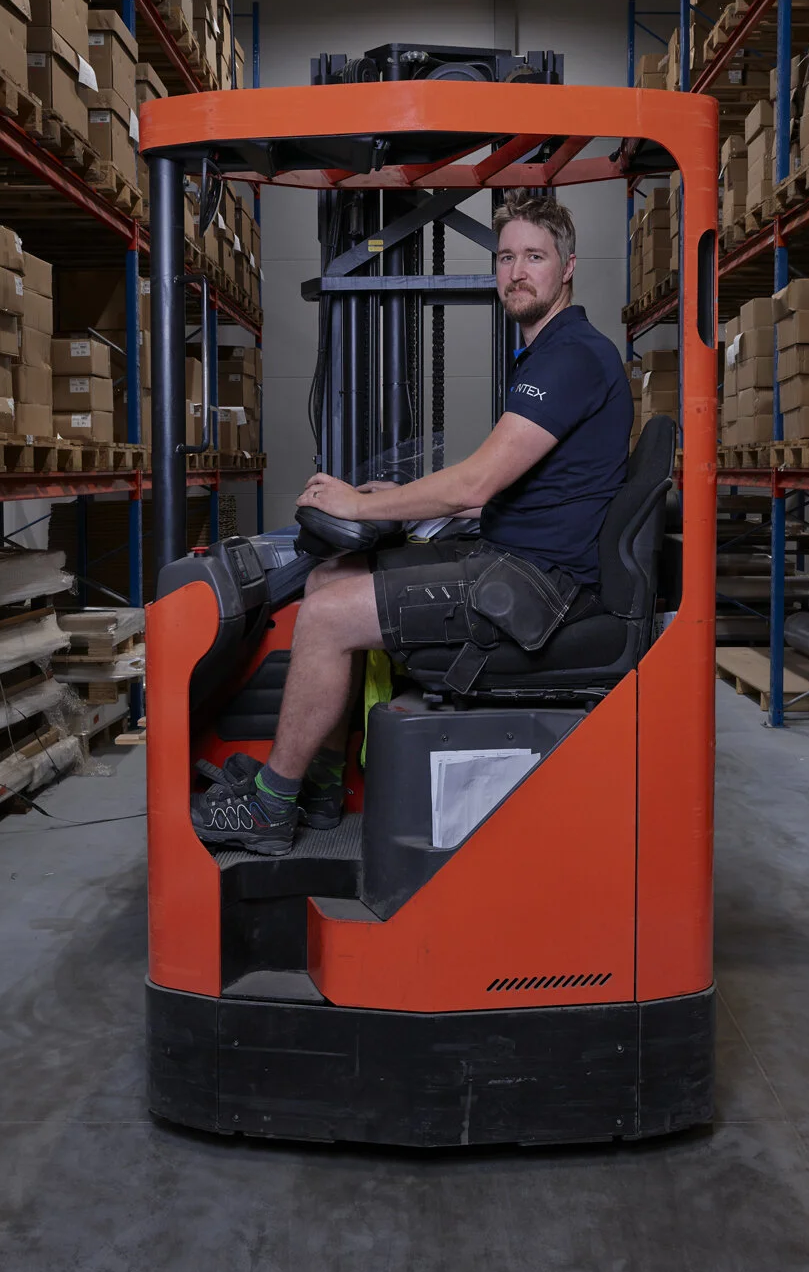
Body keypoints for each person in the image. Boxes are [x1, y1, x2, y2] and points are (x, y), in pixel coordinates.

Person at [191, 189, 634, 855]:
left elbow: (476, 482)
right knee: (331, 576)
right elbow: (533, 489)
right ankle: (320, 785)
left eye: (535, 257)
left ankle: (270, 807)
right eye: (506, 257)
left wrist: (358, 505)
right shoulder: (553, 353)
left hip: (538, 588)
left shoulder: (570, 356)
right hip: (522, 561)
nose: (517, 272)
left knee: (326, 616)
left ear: (567, 267)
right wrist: (402, 496)